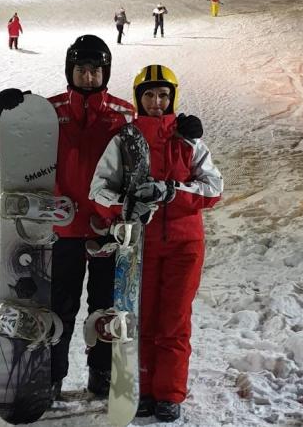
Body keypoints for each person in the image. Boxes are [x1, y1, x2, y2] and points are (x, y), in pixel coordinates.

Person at [0, 35, 135, 399]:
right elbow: (15, 157)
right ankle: (51, 375)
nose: (88, 77)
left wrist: (177, 128)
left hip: (107, 229)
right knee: (59, 308)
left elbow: (147, 155)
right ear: (70, 71)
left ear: (105, 73)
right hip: (62, 229)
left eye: (95, 71)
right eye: (81, 70)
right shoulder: (49, 112)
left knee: (105, 307)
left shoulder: (124, 115)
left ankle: (101, 371)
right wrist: (4, 118)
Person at [89, 65, 223, 422]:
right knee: (142, 319)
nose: (157, 102)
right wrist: (125, 205)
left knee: (174, 321)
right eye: (149, 95)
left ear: (173, 97)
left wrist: (172, 192)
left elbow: (213, 188)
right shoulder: (125, 139)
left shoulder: (188, 140)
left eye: (164, 95)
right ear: (138, 99)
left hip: (184, 244)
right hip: (140, 244)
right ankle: (145, 387)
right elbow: (98, 190)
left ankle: (170, 392)